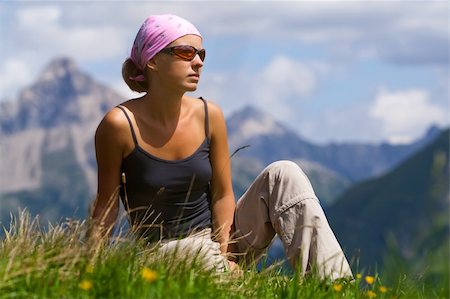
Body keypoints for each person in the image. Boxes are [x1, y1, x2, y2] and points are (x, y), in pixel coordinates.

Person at [90, 14, 352, 279]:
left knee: (284, 174)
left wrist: (224, 254)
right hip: (165, 251)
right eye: (186, 52)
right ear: (153, 60)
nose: (198, 62)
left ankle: (334, 286)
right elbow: (106, 206)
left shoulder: (209, 115)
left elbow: (222, 194)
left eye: (201, 54)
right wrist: (90, 267)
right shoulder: (119, 125)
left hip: (219, 239)